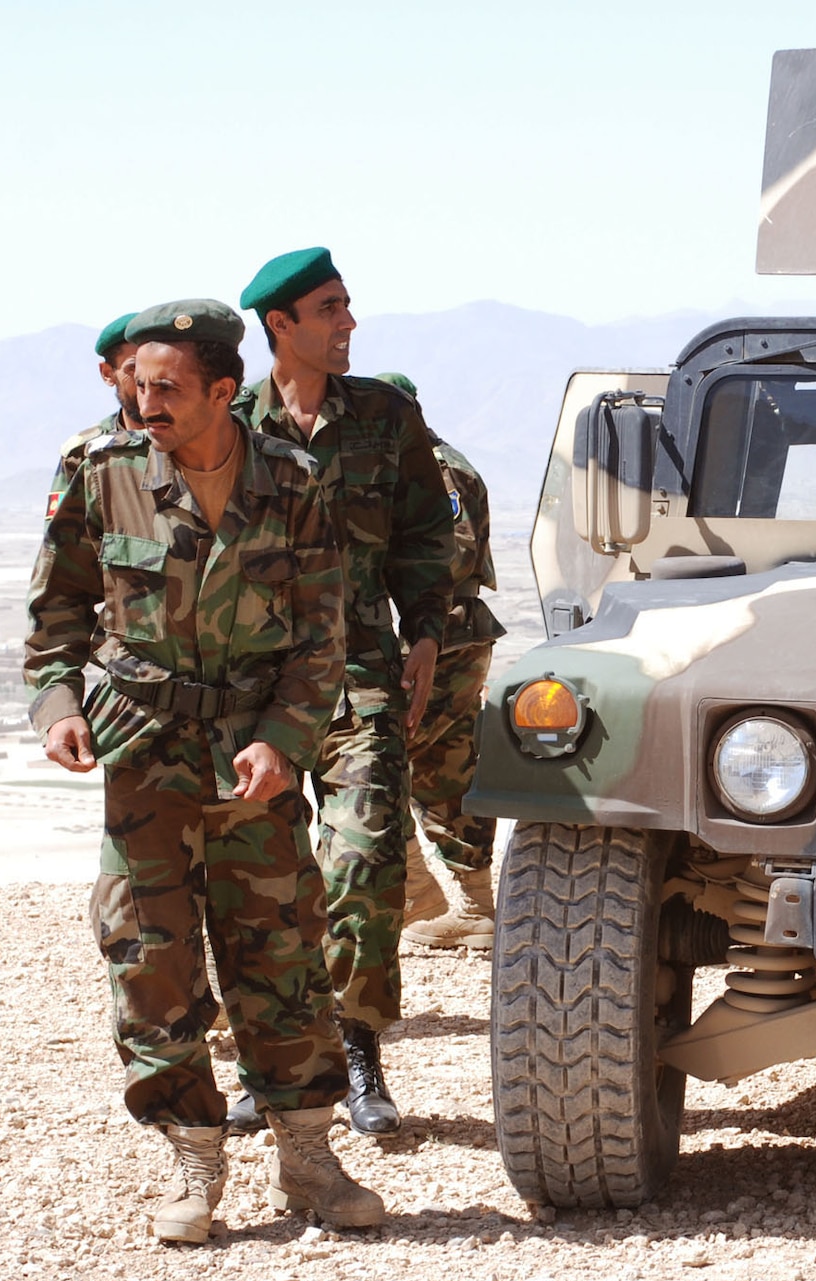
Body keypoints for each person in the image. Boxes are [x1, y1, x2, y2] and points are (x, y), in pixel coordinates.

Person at [25, 299, 384, 1243]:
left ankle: (307, 1152)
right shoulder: (99, 474)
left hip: (250, 761)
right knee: (151, 953)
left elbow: (320, 639)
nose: (145, 401)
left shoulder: (293, 483)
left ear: (224, 391)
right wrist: (60, 711)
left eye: (168, 387)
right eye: (138, 384)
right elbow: (56, 620)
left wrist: (284, 738)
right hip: (143, 751)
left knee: (280, 947)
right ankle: (193, 1152)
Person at [231, 249, 456, 1136]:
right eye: (330, 309)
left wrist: (428, 629)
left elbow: (426, 530)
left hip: (361, 675)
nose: (349, 324)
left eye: (349, 306)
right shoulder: (231, 421)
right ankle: (277, 1064)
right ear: (281, 325)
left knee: (363, 860)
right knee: (263, 885)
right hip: (254, 691)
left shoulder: (385, 416)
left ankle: (357, 1046)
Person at [374, 371, 504, 949]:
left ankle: (414, 890)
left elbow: (449, 556)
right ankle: (474, 905)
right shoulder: (445, 459)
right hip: (452, 634)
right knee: (444, 764)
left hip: (432, 636)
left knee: (377, 752)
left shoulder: (430, 468)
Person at [46, 313, 141, 520]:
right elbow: (60, 546)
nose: (146, 380)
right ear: (108, 373)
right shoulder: (83, 453)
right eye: (133, 368)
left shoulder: (200, 441)